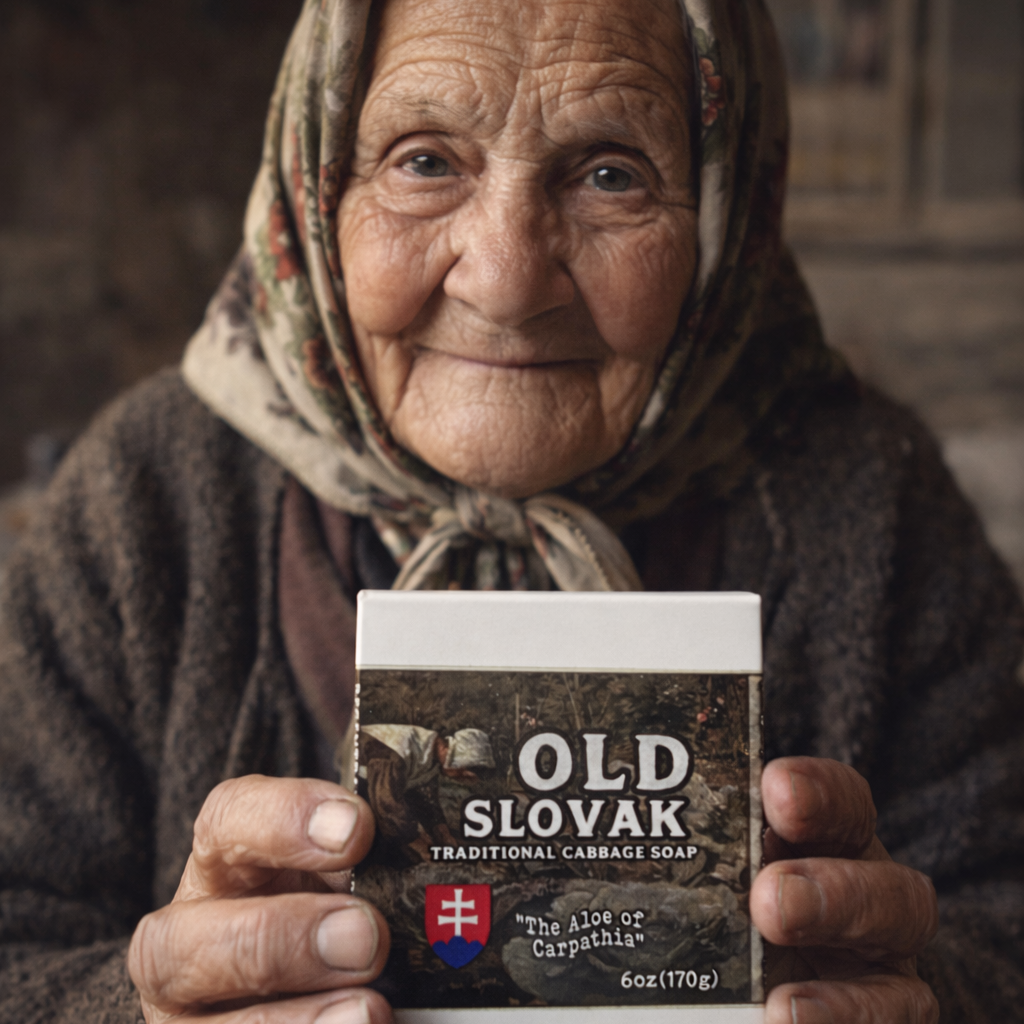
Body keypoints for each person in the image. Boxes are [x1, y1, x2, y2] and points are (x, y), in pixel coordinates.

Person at [0, 0, 1021, 1022]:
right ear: (315, 183)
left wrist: (929, 985)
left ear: (723, 209)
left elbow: (1001, 918)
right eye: (423, 161)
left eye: (611, 173)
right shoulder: (144, 499)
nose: (505, 281)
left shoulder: (873, 500)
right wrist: (139, 1004)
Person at [360, 725, 494, 860]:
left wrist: (441, 830)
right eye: (465, 770)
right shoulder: (401, 751)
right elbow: (386, 804)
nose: (462, 777)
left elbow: (426, 796)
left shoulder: (432, 755)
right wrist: (419, 844)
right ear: (456, 755)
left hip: (382, 785)